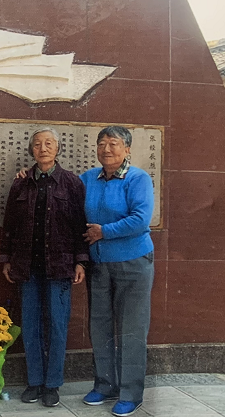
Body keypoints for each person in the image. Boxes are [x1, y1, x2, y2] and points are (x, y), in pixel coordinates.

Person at [0, 127, 89, 408]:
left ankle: (52, 385)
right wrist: (6, 258)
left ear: (58, 148)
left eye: (49, 143)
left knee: (57, 325)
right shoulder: (21, 184)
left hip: (59, 266)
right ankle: (35, 382)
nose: (43, 148)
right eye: (37, 144)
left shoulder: (71, 183)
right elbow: (9, 224)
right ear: (31, 150)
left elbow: (80, 224)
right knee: (30, 325)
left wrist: (80, 261)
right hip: (27, 266)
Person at [80, 126, 155, 417]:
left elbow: (140, 218)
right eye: (102, 143)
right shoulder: (88, 178)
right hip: (99, 264)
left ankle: (130, 394)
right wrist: (28, 175)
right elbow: (63, 195)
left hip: (133, 262)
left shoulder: (138, 178)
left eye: (114, 143)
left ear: (127, 149)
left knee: (131, 328)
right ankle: (105, 384)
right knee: (99, 326)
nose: (107, 149)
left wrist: (104, 232)